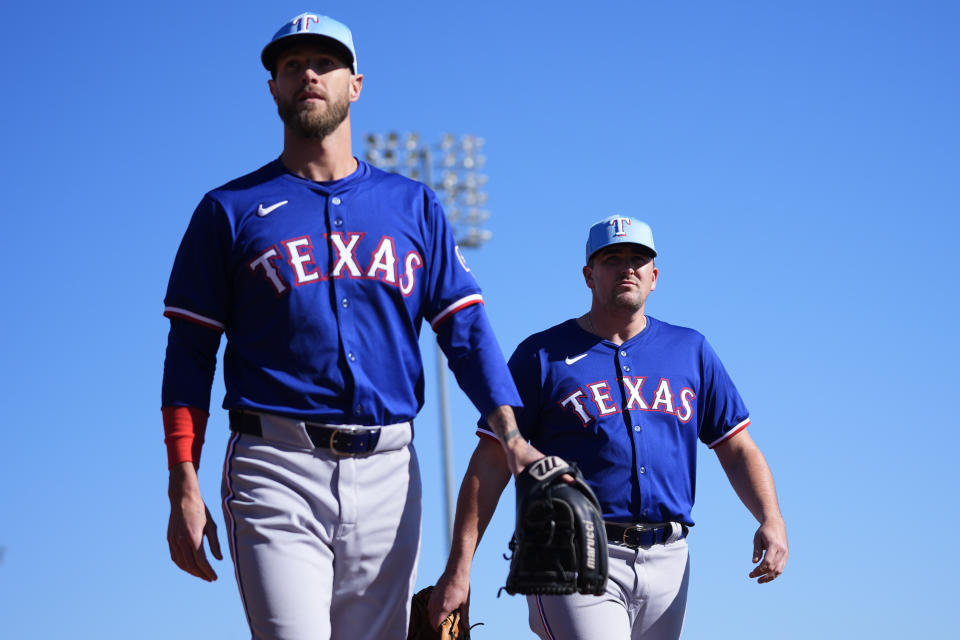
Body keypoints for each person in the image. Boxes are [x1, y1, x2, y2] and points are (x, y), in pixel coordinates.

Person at [160, 12, 539, 640]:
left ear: (355, 84)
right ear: (274, 89)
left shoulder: (414, 205)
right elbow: (190, 354)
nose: (308, 73)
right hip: (275, 463)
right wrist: (183, 479)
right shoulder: (228, 210)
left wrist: (510, 432)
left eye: (324, 63)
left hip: (391, 467)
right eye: (290, 65)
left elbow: (465, 331)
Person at [428, 215, 789, 639]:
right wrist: (459, 568)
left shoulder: (690, 350)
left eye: (638, 259)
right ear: (588, 275)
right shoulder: (541, 354)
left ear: (654, 276)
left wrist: (771, 517)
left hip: (670, 556)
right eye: (612, 258)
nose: (627, 267)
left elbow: (737, 447)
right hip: (572, 550)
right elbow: (489, 462)